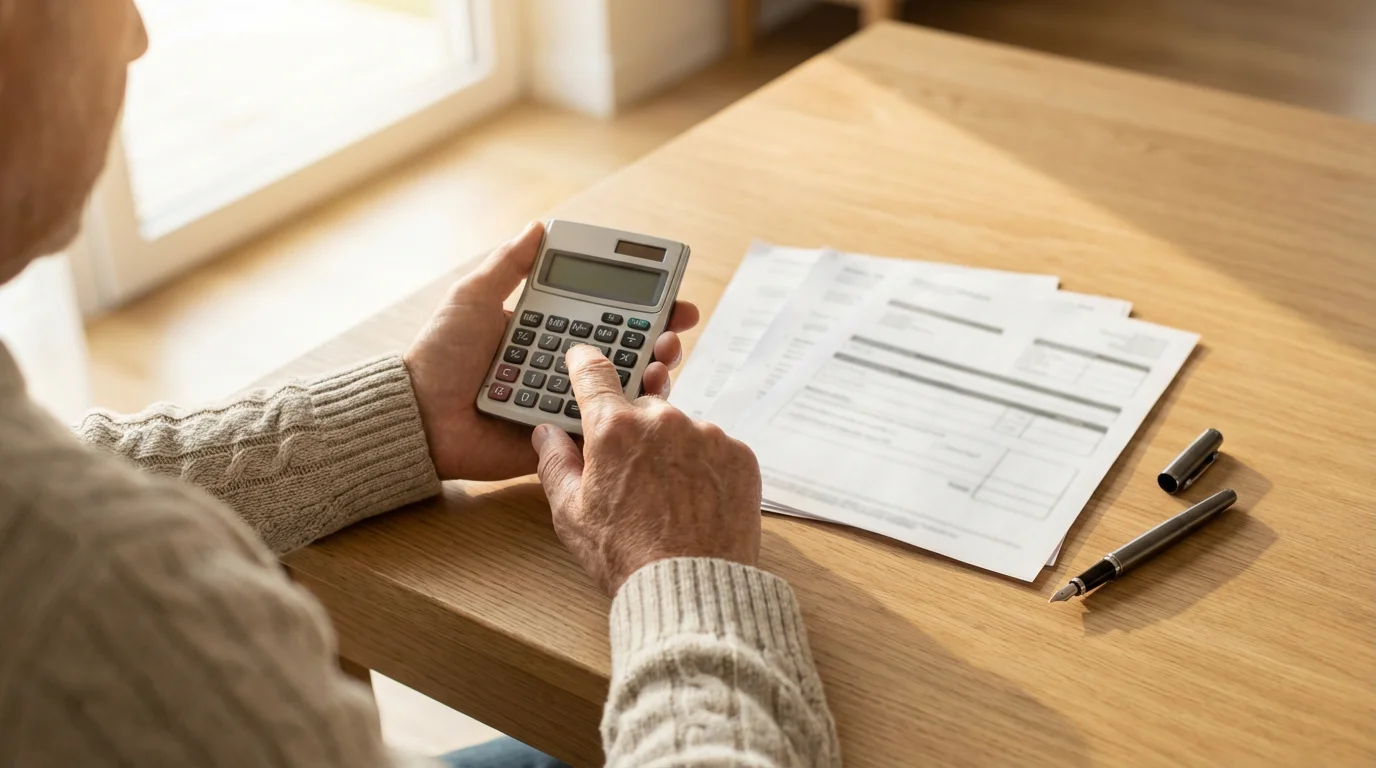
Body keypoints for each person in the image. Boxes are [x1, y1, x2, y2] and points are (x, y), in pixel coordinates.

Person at [0, 3, 840, 767]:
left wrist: (405, 413)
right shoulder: (99, 597)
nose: (139, 33)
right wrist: (690, 579)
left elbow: (83, 471)